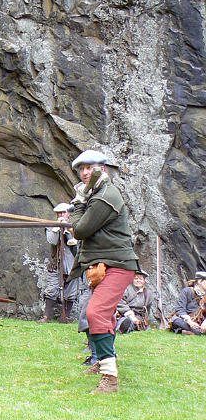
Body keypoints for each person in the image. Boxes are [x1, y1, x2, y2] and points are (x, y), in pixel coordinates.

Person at [67, 150, 140, 394]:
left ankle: (110, 378)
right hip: (104, 266)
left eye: (90, 167)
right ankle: (102, 361)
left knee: (95, 312)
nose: (85, 172)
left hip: (117, 266)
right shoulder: (96, 195)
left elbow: (80, 229)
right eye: (82, 169)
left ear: (103, 169)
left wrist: (77, 203)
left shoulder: (106, 195)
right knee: (105, 316)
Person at [38, 203, 79, 323]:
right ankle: (47, 316)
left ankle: (65, 317)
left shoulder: (75, 226)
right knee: (52, 289)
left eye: (63, 212)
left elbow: (77, 245)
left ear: (68, 214)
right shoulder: (51, 227)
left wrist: (69, 232)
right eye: (59, 213)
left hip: (72, 264)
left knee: (71, 292)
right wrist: (56, 231)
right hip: (57, 263)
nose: (61, 215)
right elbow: (53, 241)